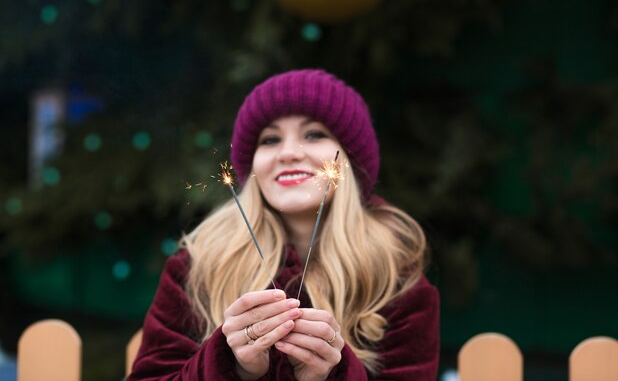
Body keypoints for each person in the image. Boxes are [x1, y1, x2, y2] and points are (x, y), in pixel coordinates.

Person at [128, 69, 439, 381]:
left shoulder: (395, 279)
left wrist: (334, 374)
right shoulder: (198, 268)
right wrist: (230, 366)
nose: (288, 153)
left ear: (349, 160)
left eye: (314, 134)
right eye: (270, 139)